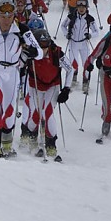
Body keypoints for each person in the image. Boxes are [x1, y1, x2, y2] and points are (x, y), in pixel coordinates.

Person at [0, 0, 42, 157]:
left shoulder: (22, 30)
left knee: (10, 107)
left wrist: (33, 52)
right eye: (3, 15)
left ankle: (7, 142)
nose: (7, 19)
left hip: (13, 71)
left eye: (10, 14)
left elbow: (39, 52)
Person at [23, 28, 71, 158]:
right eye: (41, 45)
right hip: (36, 86)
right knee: (37, 113)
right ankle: (32, 135)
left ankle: (51, 143)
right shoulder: (31, 53)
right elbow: (20, 64)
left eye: (46, 44)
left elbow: (70, 69)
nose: (44, 48)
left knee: (47, 112)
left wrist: (66, 89)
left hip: (52, 86)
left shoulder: (56, 53)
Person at [61, 0, 99, 92]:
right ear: (77, 7)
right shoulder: (71, 16)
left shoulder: (90, 19)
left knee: (86, 64)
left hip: (84, 44)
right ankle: (73, 79)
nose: (81, 9)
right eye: (79, 7)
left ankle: (85, 83)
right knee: (73, 63)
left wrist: (90, 35)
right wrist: (67, 34)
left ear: (86, 8)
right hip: (73, 43)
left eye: (83, 7)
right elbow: (63, 26)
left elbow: (96, 32)